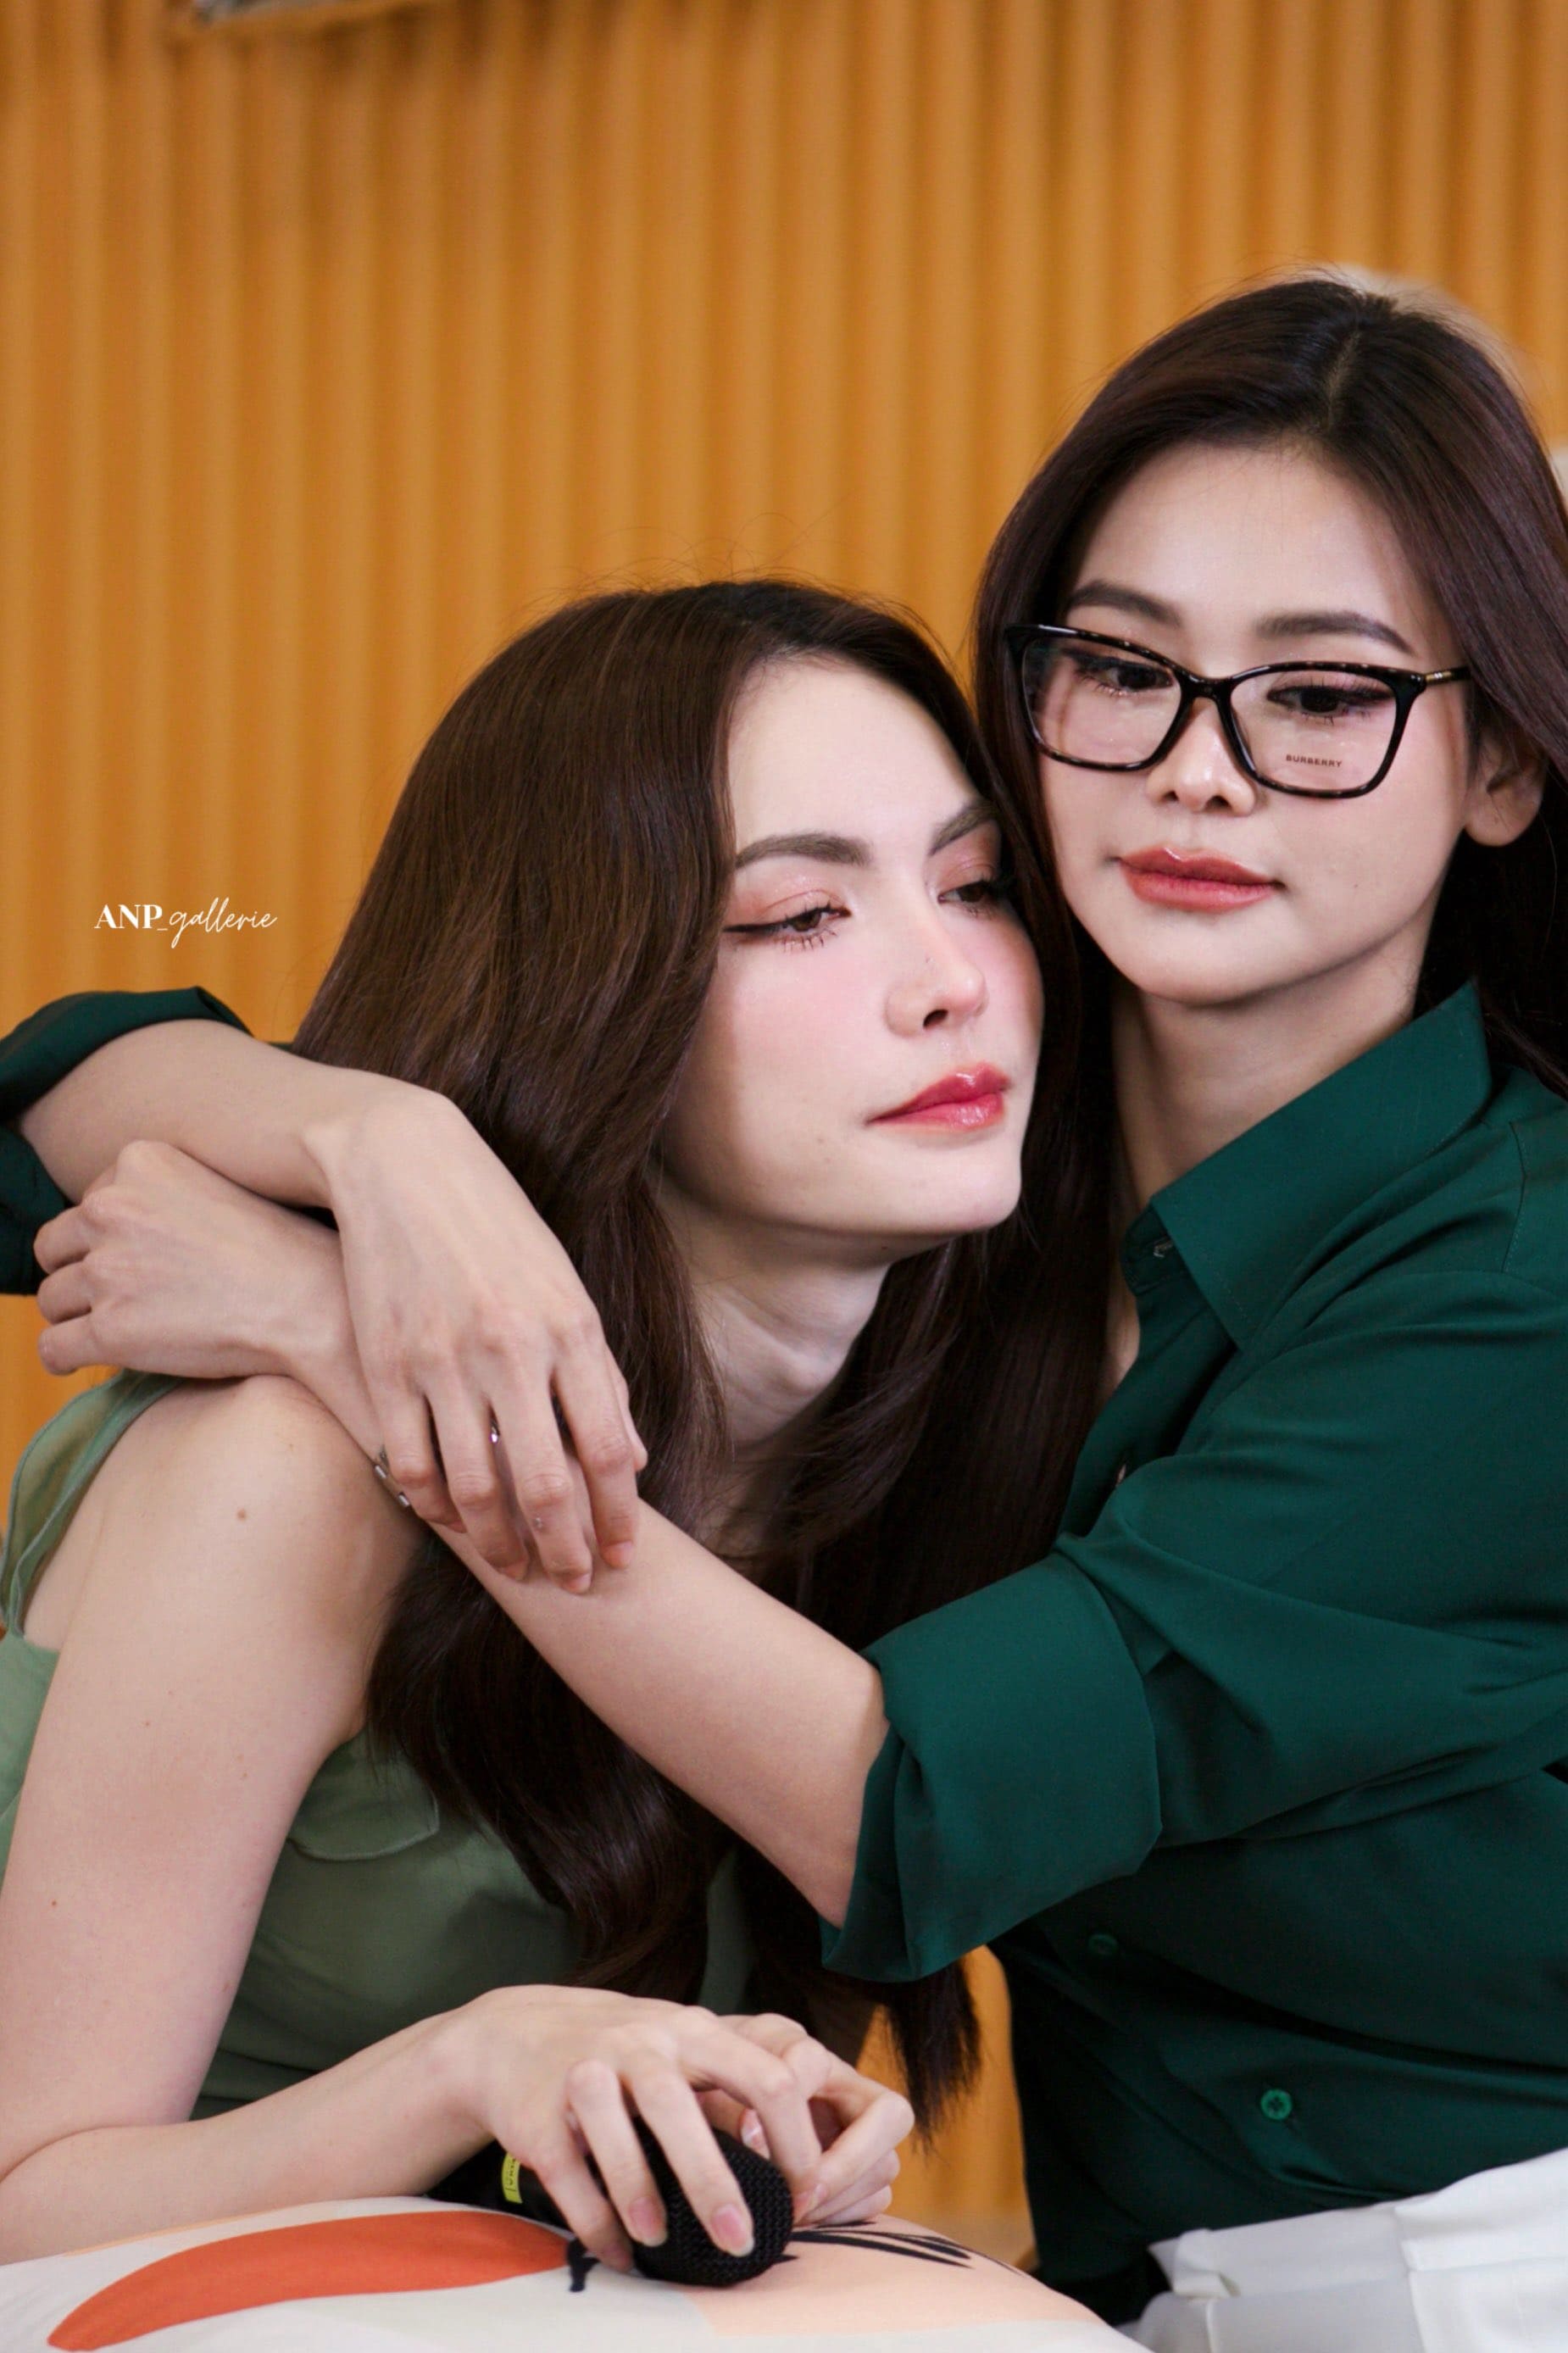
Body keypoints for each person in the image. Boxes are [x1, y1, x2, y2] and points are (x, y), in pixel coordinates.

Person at [10, 274, 1568, 2350]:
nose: (1200, 771)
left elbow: (902, 1801)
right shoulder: (991, 1180)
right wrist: (383, 1149)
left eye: (1320, 693)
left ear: (1500, 757)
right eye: (1123, 669)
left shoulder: (1471, 1277)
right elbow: (48, 1100)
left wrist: (356, 1333)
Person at [0, 580, 1057, 2276]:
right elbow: (20, 2205)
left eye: (976, 884)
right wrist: (470, 2062)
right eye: (800, 914)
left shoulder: (932, 1450)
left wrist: (750, 2112)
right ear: (584, 984)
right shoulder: (278, 1470)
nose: (949, 983)